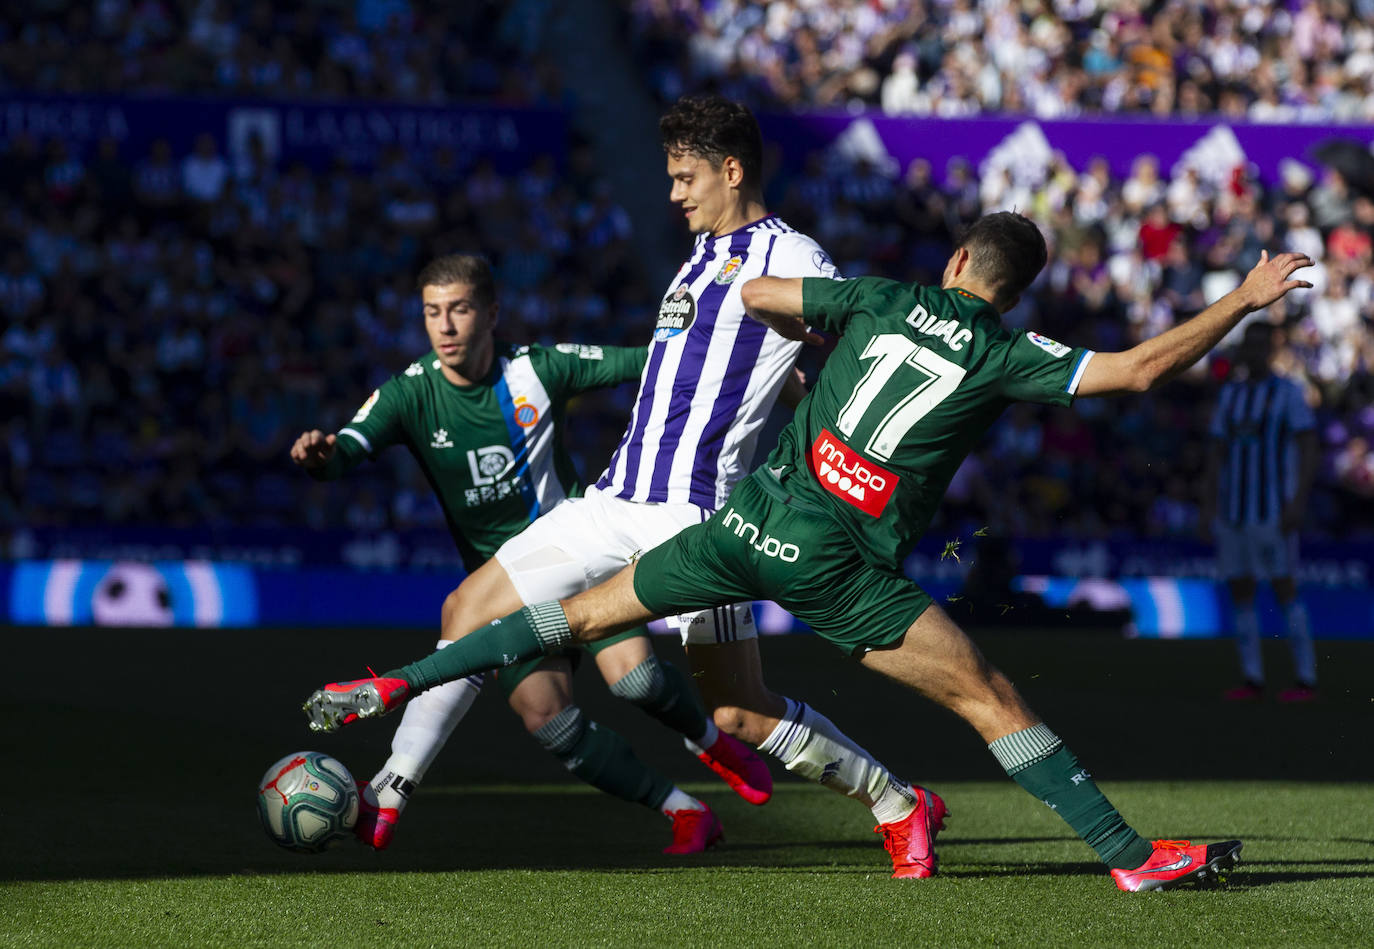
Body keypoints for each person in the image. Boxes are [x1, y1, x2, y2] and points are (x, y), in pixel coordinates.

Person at [305, 214, 1314, 892]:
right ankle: (1128, 855)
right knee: (987, 698)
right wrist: (1243, 299)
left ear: (958, 260)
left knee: (571, 621)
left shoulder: (875, 298)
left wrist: (781, 351)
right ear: (1008, 294)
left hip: (735, 530)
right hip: (835, 567)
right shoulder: (1010, 353)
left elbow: (761, 299)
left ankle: (394, 686)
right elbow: (1138, 371)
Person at [330, 95, 938, 876]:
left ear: (732, 169)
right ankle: (390, 789)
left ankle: (898, 800)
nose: (675, 193)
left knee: (739, 712)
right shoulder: (698, 256)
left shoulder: (793, 257)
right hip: (612, 501)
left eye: (686, 177)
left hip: (697, 521)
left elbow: (837, 356)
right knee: (467, 605)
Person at [291, 252, 770, 854]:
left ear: (490, 313)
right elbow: (348, 450)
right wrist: (320, 458)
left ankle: (710, 740)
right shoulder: (410, 394)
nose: (444, 326)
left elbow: (654, 362)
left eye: (459, 310)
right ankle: (686, 812)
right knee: (552, 722)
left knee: (639, 681)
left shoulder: (537, 369)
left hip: (580, 562)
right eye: (432, 313)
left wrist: (761, 369)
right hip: (503, 595)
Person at [1203, 321, 1319, 702]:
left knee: (1285, 587)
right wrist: (1210, 504)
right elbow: (1217, 452)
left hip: (1272, 509)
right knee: (1241, 589)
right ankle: (1252, 679)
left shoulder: (1287, 393)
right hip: (1234, 511)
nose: (1252, 352)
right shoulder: (1230, 395)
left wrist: (1298, 499)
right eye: (1248, 344)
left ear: (1271, 349)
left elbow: (1307, 446)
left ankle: (1305, 680)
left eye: (1259, 345)